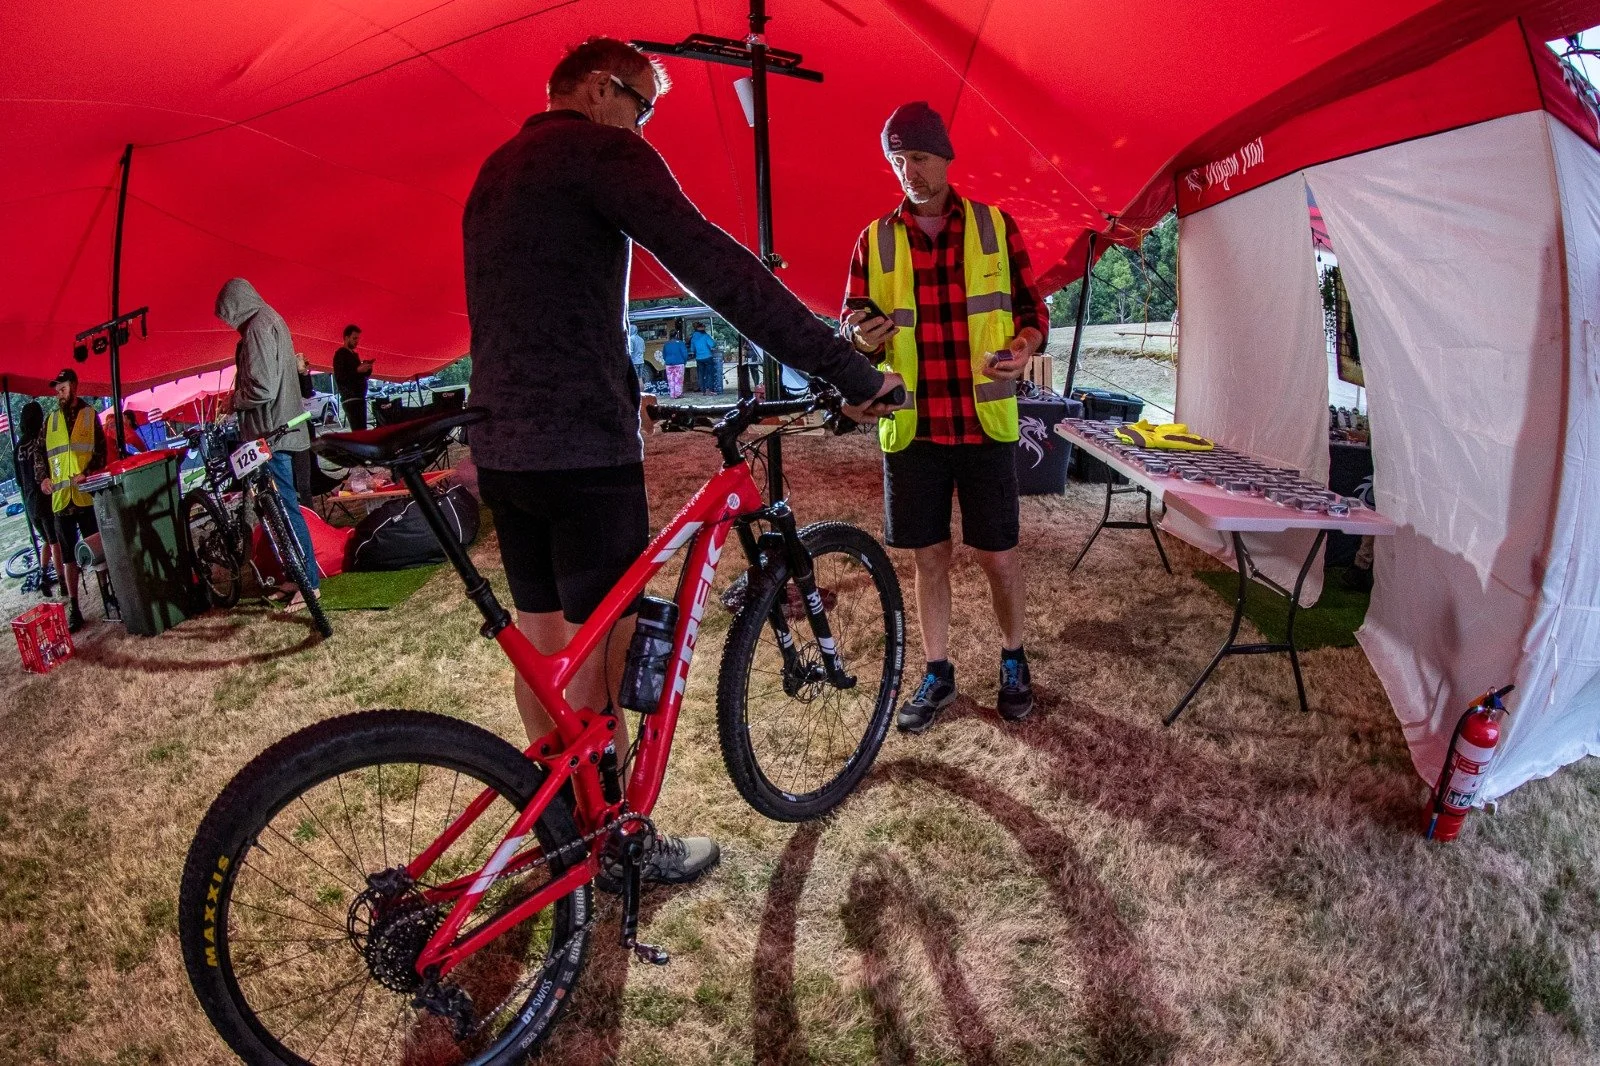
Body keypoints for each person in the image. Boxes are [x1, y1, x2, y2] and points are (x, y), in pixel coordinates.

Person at [463, 36, 901, 887]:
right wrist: (845, 369)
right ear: (598, 89)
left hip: (505, 446)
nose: (643, 124)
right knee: (613, 652)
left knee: (554, 653)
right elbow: (714, 267)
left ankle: (566, 825)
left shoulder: (498, 170)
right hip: (581, 446)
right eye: (641, 104)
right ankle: (619, 842)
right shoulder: (598, 149)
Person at [841, 101, 1048, 733]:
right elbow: (852, 327)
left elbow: (1032, 311)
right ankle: (938, 670)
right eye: (898, 160)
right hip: (913, 427)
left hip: (983, 422)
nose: (910, 172)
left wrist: (1024, 349)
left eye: (921, 158)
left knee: (999, 556)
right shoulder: (872, 240)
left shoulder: (994, 226)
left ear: (947, 158)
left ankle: (1014, 657)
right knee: (928, 556)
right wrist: (861, 338)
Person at [215, 278, 322, 612]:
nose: (228, 323)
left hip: (272, 435)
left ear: (234, 305)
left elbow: (262, 389)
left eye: (226, 314)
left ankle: (309, 586)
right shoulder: (269, 320)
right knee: (276, 511)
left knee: (285, 510)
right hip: (275, 433)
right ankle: (295, 577)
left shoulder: (259, 327)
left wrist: (234, 401)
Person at [39, 368, 107, 631]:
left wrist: (88, 473)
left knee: (97, 552)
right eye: (56, 389)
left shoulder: (90, 416)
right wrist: (44, 478)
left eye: (63, 388)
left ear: (75, 386)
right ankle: (75, 609)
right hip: (61, 501)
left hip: (86, 496)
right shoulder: (50, 420)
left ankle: (108, 598)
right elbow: (41, 456)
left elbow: (100, 452)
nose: (59, 393)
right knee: (68, 557)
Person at [12, 401, 59, 599]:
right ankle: (63, 583)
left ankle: (42, 573)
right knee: (55, 541)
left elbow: (20, 482)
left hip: (30, 502)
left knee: (47, 540)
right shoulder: (41, 440)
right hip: (45, 497)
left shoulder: (18, 447)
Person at [333, 324, 373, 431]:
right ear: (346, 338)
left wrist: (367, 368)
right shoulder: (341, 354)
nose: (356, 341)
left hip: (359, 397)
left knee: (362, 430)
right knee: (359, 431)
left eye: (358, 338)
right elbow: (341, 376)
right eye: (354, 338)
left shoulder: (354, 355)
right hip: (350, 398)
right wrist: (357, 370)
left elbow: (360, 375)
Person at [690, 321, 721, 395]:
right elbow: (712, 344)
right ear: (702, 328)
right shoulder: (705, 335)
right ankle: (710, 390)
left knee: (701, 374)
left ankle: (703, 391)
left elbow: (692, 349)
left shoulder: (693, 337)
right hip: (707, 357)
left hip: (699, 358)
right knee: (709, 374)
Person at [662, 328, 688, 398]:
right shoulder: (680, 343)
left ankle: (672, 394)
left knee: (671, 379)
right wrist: (684, 361)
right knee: (678, 379)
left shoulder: (666, 344)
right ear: (676, 335)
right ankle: (678, 394)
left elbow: (664, 355)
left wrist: (667, 360)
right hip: (679, 363)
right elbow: (685, 354)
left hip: (669, 363)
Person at [628, 323, 648, 388]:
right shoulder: (641, 339)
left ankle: (637, 394)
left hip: (634, 361)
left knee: (634, 378)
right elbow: (644, 350)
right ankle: (642, 392)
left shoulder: (631, 339)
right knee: (640, 378)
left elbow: (630, 351)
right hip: (641, 361)